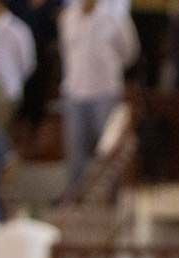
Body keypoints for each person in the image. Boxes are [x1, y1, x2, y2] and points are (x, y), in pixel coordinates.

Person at [58, 0, 138, 191]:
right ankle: (75, 197)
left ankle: (110, 198)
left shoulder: (115, 16)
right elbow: (65, 51)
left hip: (106, 92)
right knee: (75, 152)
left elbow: (130, 52)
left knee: (108, 151)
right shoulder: (68, 16)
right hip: (74, 92)